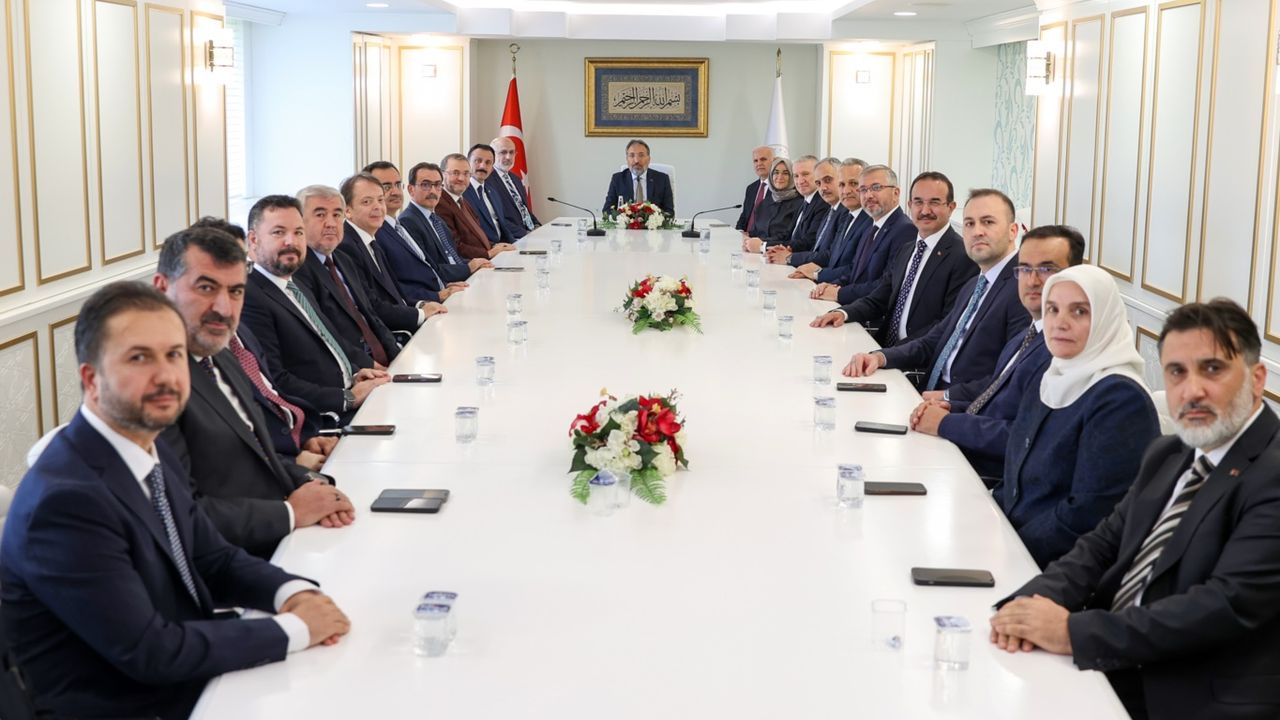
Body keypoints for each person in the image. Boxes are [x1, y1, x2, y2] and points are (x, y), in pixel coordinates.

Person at [0, 281, 350, 719]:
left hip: (181, 673)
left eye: (174, 355)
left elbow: (214, 557)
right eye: (139, 358)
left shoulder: (148, 446)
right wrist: (294, 630)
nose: (166, 376)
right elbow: (151, 652)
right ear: (91, 379)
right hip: (128, 704)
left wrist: (293, 593)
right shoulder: (67, 501)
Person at [990, 298, 1280, 720]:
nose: (1192, 390)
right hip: (1120, 658)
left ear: (1257, 379)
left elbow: (1224, 605)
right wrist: (1028, 604)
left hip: (1194, 693)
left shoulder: (1272, 474)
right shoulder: (1170, 452)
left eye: (1212, 369)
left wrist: (1071, 632)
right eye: (1177, 372)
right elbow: (1101, 546)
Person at [153, 226, 355, 558]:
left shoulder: (221, 355)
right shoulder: (152, 384)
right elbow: (178, 516)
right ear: (162, 288)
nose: (224, 308)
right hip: (232, 560)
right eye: (206, 288)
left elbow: (257, 454)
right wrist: (290, 512)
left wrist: (312, 484)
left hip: (281, 537)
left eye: (236, 291)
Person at [994, 264, 1160, 566]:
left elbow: (1086, 515)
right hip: (1015, 546)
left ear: (1105, 319)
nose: (1060, 323)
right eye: (1053, 310)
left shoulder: (1120, 399)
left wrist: (1007, 550)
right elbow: (1014, 476)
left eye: (1079, 311)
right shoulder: (1050, 376)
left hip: (1059, 569)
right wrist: (987, 524)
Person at [909, 225, 1085, 479]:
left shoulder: (1063, 349)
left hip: (990, 478)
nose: (1032, 281)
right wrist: (950, 406)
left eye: (1047, 269)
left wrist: (946, 422)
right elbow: (996, 402)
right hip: (964, 457)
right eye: (1025, 268)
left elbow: (1028, 438)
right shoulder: (1025, 337)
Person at [839, 187, 1029, 391]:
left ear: (1013, 231)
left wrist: (948, 398)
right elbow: (934, 340)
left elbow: (1011, 376)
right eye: (969, 223)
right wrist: (880, 357)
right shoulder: (975, 284)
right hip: (927, 390)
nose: (977, 231)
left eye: (988, 222)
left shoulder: (1023, 289)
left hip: (960, 403)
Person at [239, 195, 389, 419]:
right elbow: (276, 382)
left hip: (350, 392)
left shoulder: (295, 284)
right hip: (325, 418)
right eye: (278, 232)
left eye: (298, 232)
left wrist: (354, 374)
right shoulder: (249, 296)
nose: (291, 241)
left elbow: (325, 344)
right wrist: (347, 397)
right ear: (253, 240)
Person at [809, 173, 976, 350]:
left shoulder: (963, 256)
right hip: (883, 345)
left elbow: (944, 326)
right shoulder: (908, 249)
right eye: (918, 202)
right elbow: (880, 297)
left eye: (934, 202)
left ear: (951, 207)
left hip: (914, 358)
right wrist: (843, 313)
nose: (925, 211)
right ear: (910, 205)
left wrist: (888, 355)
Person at [294, 184, 401, 367]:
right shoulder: (298, 270)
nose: (331, 223)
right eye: (320, 215)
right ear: (299, 222)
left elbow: (371, 315)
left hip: (384, 363)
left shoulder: (344, 259)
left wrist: (397, 356)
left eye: (337, 215)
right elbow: (324, 334)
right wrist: (370, 366)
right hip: (354, 370)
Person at [335, 171, 443, 333]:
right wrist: (420, 314)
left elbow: (394, 295)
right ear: (347, 210)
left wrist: (420, 304)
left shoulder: (371, 241)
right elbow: (372, 306)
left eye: (380, 200)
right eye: (366, 202)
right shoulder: (346, 246)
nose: (377, 207)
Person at [810, 164, 923, 305]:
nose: (868, 195)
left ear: (896, 193)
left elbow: (887, 285)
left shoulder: (905, 229)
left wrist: (839, 293)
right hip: (853, 305)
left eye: (876, 188)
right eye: (863, 189)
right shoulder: (872, 227)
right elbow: (856, 272)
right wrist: (832, 285)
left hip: (871, 313)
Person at [787, 158, 868, 277]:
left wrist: (817, 274)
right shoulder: (838, 212)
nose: (823, 188)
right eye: (818, 183)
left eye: (828, 180)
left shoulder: (862, 218)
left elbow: (855, 270)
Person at [437, 152, 514, 260]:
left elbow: (477, 235)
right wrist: (488, 253)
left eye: (466, 173)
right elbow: (454, 246)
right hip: (472, 264)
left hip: (484, 259)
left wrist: (495, 246)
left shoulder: (462, 201)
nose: (461, 178)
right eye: (455, 173)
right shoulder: (439, 204)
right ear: (442, 175)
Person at [767, 157, 841, 265]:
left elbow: (811, 243)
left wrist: (789, 257)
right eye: (796, 176)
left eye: (805, 174)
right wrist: (774, 248)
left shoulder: (824, 204)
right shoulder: (807, 201)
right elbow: (789, 234)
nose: (800, 181)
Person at [741, 157, 803, 252]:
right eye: (776, 172)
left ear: (792, 176)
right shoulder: (764, 203)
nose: (780, 177)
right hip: (756, 253)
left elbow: (788, 236)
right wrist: (747, 238)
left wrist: (761, 243)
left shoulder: (799, 203)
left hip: (779, 253)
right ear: (771, 175)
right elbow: (755, 231)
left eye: (785, 173)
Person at [602, 139, 674, 216]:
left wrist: (655, 219)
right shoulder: (617, 179)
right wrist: (623, 219)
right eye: (632, 155)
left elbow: (669, 212)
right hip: (626, 223)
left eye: (641, 155)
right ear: (627, 159)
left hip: (653, 223)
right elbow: (607, 211)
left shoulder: (662, 179)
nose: (636, 160)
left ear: (649, 159)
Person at [464, 143, 515, 246]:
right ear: (468, 163)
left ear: (492, 168)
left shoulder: (493, 192)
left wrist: (514, 245)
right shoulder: (462, 193)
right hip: (483, 250)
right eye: (478, 161)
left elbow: (502, 227)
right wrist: (492, 247)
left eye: (488, 162)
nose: (483, 166)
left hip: (503, 247)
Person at [489, 135, 540, 238]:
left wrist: (538, 226)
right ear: (492, 155)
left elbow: (524, 209)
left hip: (529, 233)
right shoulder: (488, 180)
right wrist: (526, 234)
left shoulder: (516, 179)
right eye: (503, 152)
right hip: (512, 238)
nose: (508, 157)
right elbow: (498, 217)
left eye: (511, 152)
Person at [735, 145, 774, 232]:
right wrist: (740, 232)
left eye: (763, 159)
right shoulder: (751, 188)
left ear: (774, 161)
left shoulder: (779, 189)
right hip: (745, 237)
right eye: (755, 161)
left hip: (763, 238)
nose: (759, 164)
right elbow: (744, 216)